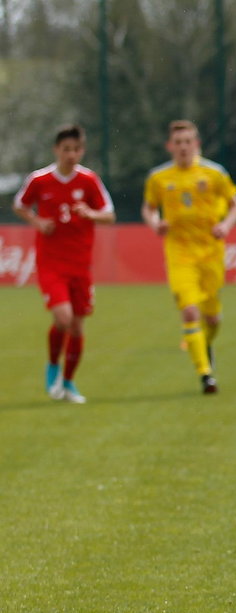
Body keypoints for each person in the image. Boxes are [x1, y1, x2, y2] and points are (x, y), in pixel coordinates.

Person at [13, 124, 115, 404]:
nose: (71, 154)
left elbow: (109, 215)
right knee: (64, 318)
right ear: (56, 150)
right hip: (51, 263)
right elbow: (19, 204)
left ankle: (68, 382)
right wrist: (37, 221)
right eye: (66, 149)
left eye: (76, 149)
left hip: (81, 265)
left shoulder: (89, 180)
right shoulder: (40, 180)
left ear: (82, 150)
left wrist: (90, 214)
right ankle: (52, 365)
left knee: (78, 328)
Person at [141, 120, 236, 394]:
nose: (183, 147)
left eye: (188, 142)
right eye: (178, 142)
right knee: (189, 310)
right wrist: (156, 224)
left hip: (210, 253)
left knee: (212, 319)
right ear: (170, 146)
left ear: (196, 144)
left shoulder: (214, 173)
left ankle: (204, 346)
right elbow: (149, 209)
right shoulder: (159, 178)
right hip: (179, 253)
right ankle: (205, 374)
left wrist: (225, 226)